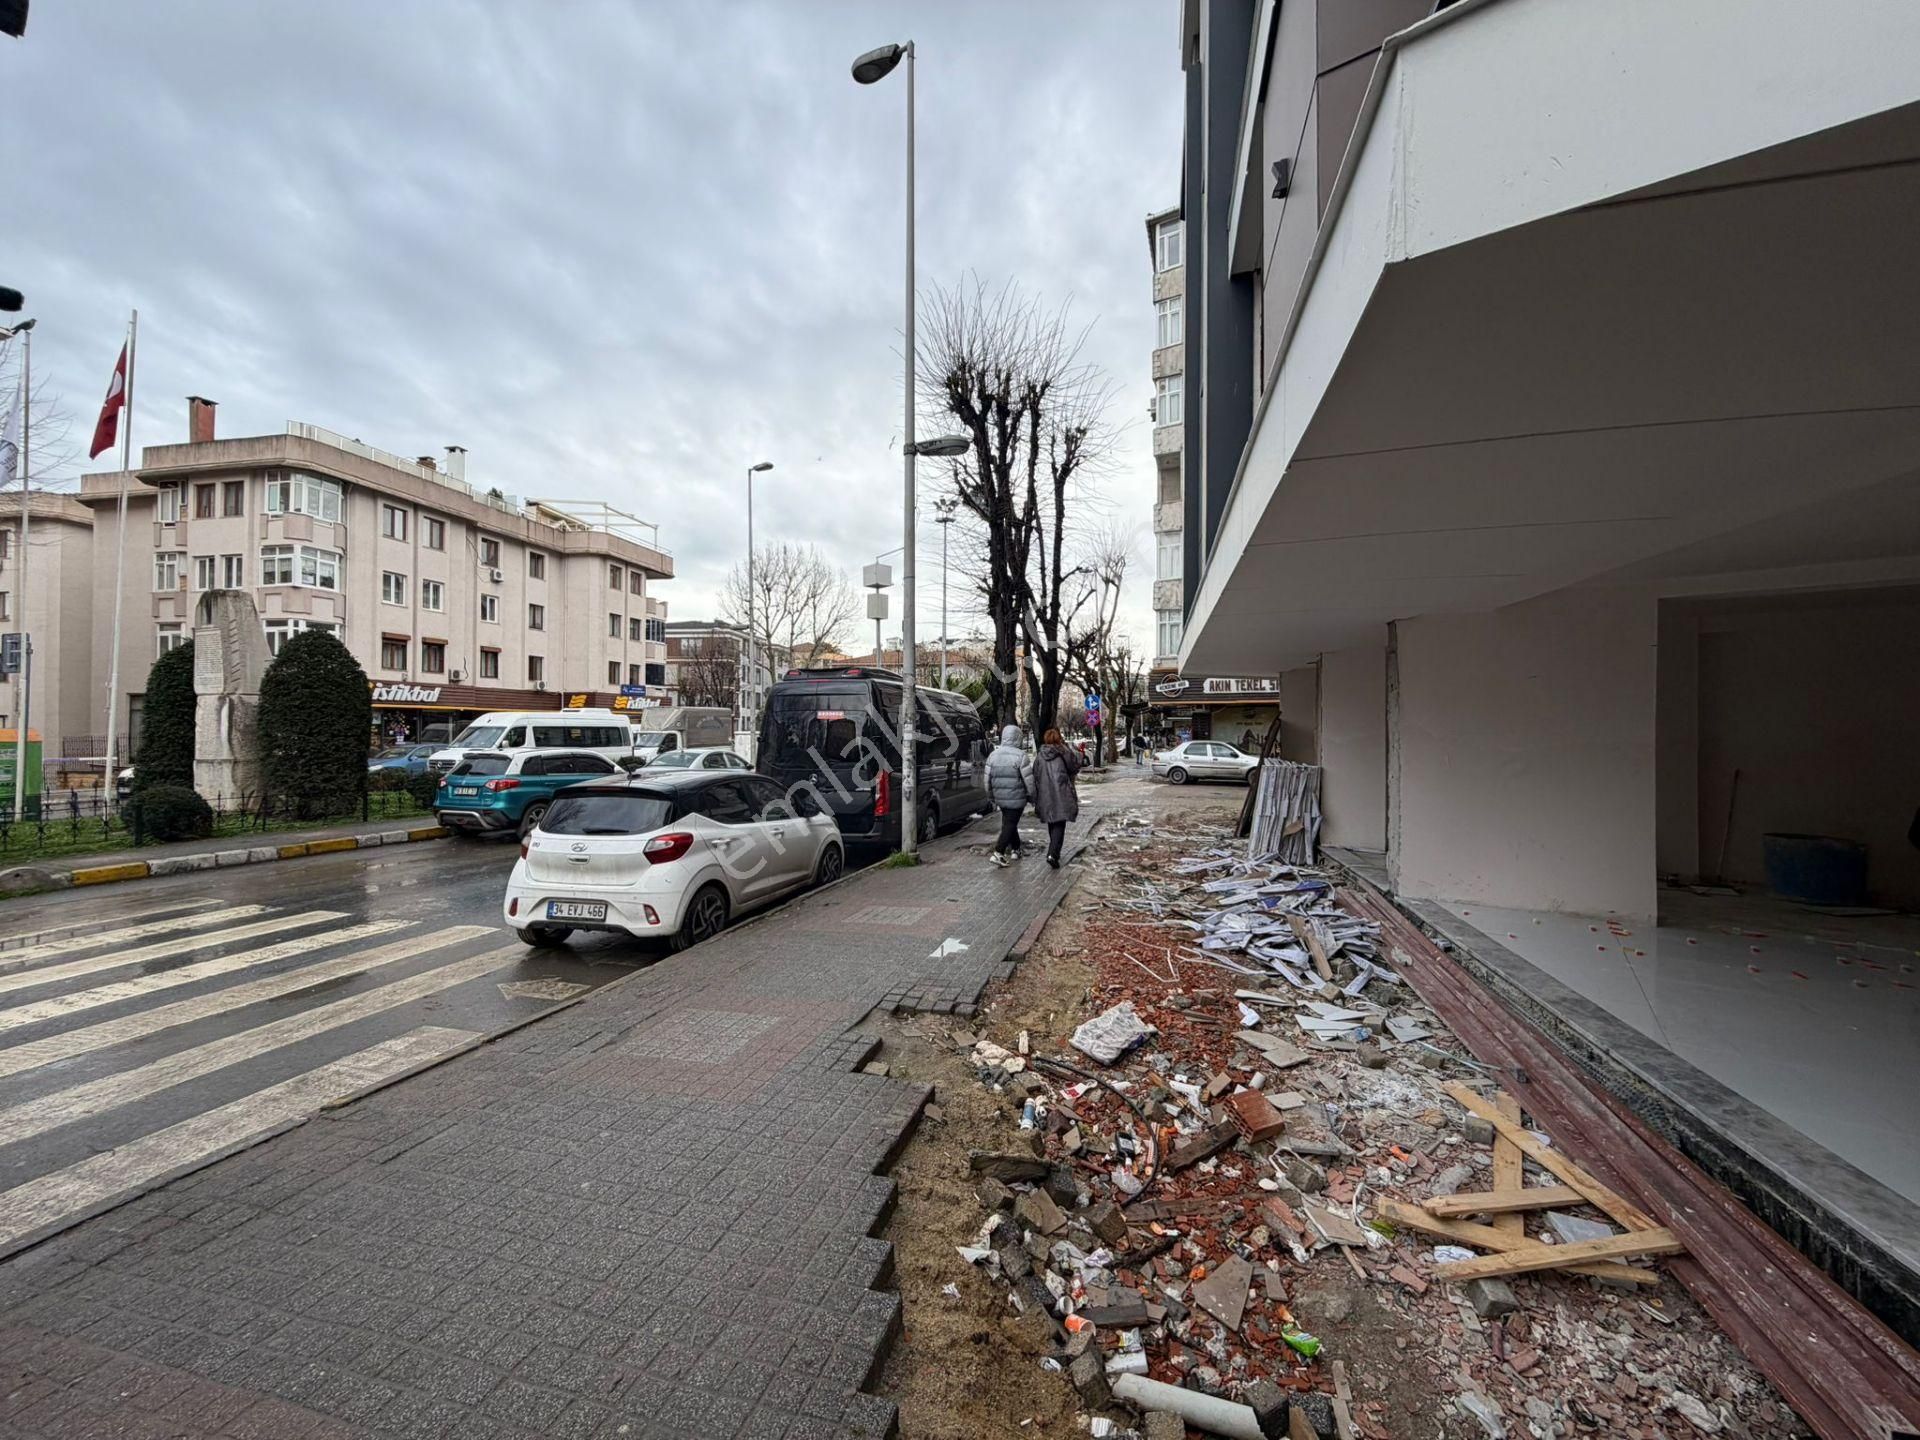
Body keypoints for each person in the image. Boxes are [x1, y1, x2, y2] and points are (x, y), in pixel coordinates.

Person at [1031, 726, 1084, 870]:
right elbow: (1074, 766)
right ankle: (1053, 854)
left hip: (1045, 793)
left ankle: (1054, 852)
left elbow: (1035, 774)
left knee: (1052, 821)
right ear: (1058, 738)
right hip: (1061, 792)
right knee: (1059, 823)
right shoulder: (1063, 752)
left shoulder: (1040, 756)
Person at [983, 723, 1032, 867]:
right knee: (1010, 824)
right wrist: (1032, 796)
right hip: (1017, 798)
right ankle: (998, 853)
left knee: (1010, 823)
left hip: (1000, 798)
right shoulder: (1021, 756)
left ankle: (1016, 849)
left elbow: (987, 780)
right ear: (1018, 738)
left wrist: (991, 797)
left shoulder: (993, 755)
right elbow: (1029, 781)